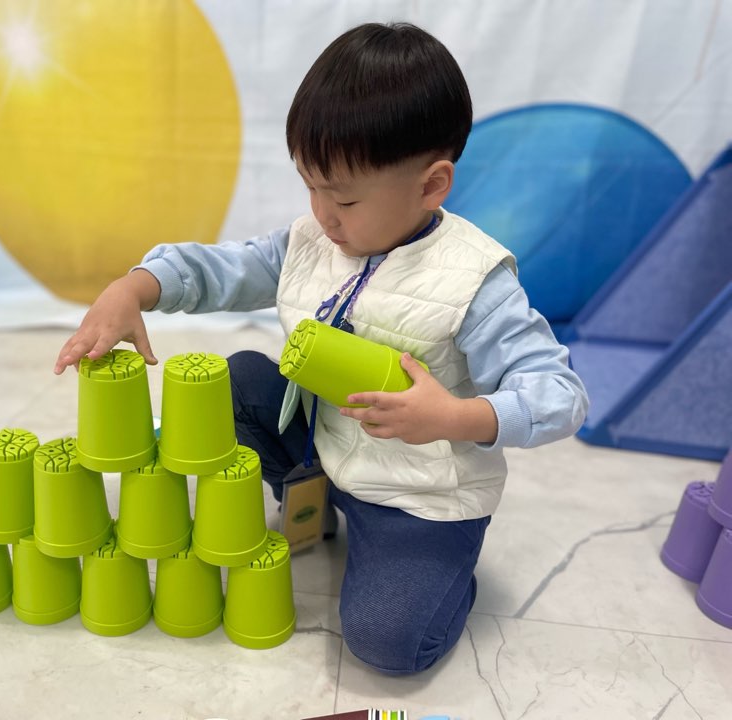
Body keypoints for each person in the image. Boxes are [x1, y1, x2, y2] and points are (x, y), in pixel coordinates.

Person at [54, 22, 588, 674]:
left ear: (431, 185)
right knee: (232, 380)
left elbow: (560, 395)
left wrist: (454, 417)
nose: (324, 215)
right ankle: (319, 504)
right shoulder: (315, 240)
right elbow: (227, 268)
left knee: (388, 643)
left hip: (417, 497)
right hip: (323, 451)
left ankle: (443, 578)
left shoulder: (474, 280)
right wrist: (135, 287)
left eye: (345, 198)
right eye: (311, 186)